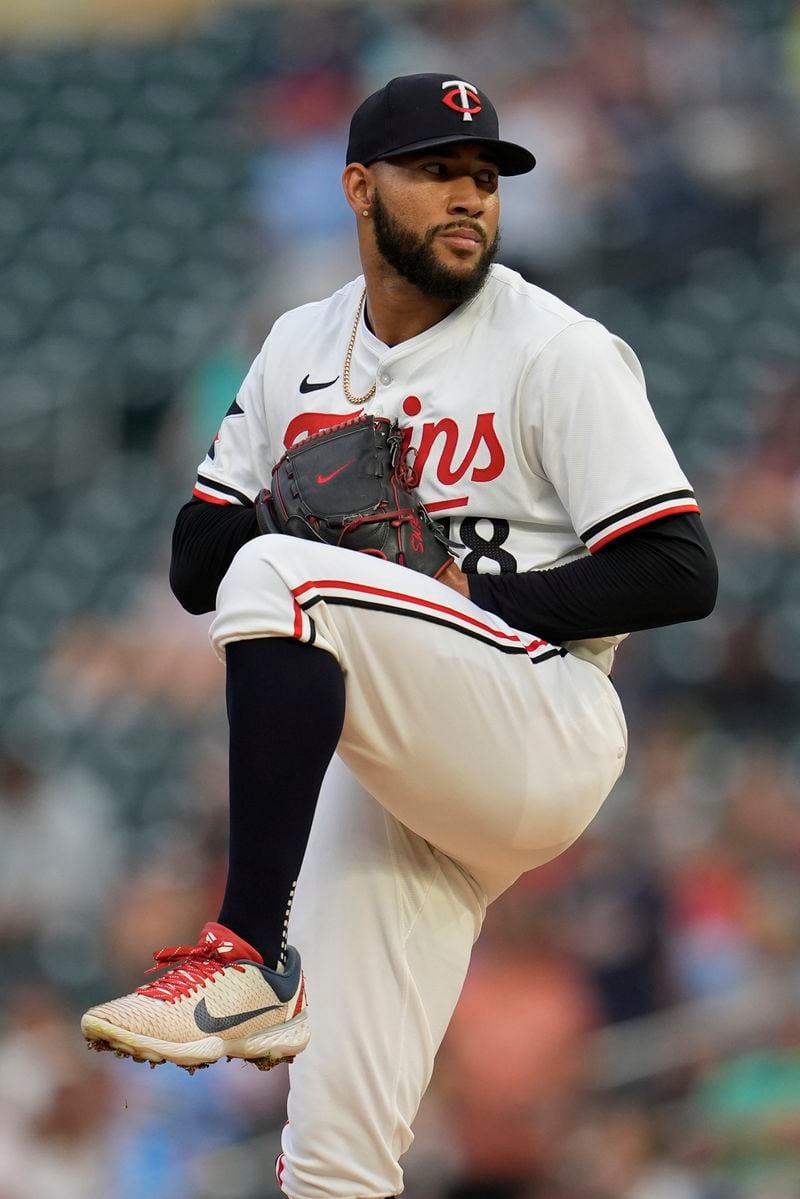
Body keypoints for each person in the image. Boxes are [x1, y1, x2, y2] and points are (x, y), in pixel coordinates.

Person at [81, 73, 717, 1199]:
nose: (469, 197)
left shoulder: (553, 348)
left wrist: (460, 590)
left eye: (484, 178)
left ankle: (243, 952)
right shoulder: (297, 347)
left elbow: (678, 569)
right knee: (331, 1154)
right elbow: (194, 566)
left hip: (536, 715)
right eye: (437, 173)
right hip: (399, 765)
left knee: (285, 579)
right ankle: (273, 1006)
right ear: (359, 189)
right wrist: (294, 509)